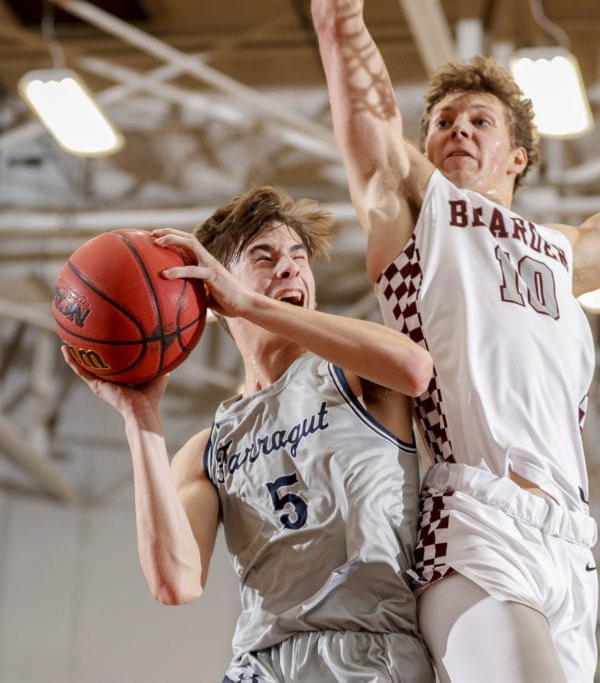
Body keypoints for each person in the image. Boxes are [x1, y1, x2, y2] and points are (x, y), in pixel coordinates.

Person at [311, 2, 600, 681]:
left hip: (571, 542)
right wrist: (340, 22)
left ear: (517, 156)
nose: (458, 127)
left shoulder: (560, 249)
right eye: (442, 122)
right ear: (424, 147)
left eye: (479, 120)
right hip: (474, 516)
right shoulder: (420, 216)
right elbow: (369, 125)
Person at [64, 186, 436, 682]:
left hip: (366, 653)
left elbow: (414, 368)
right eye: (264, 257)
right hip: (259, 664)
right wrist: (140, 417)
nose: (290, 268)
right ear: (212, 291)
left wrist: (251, 303)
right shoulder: (210, 447)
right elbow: (175, 581)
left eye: (298, 257)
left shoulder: (353, 376)